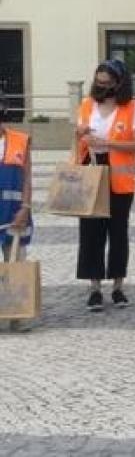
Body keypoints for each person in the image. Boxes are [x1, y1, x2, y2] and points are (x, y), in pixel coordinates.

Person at [74, 59, 135, 311]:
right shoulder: (86, 105)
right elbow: (77, 140)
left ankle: (117, 286)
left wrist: (108, 143)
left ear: (118, 83)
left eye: (106, 82)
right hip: (91, 170)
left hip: (120, 178)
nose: (101, 86)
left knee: (118, 232)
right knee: (91, 231)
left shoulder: (131, 108)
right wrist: (81, 134)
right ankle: (94, 288)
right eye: (98, 82)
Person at [0, 90, 33, 331]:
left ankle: (17, 315)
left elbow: (27, 178)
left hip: (14, 214)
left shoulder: (20, 140)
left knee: (17, 264)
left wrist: (26, 206)